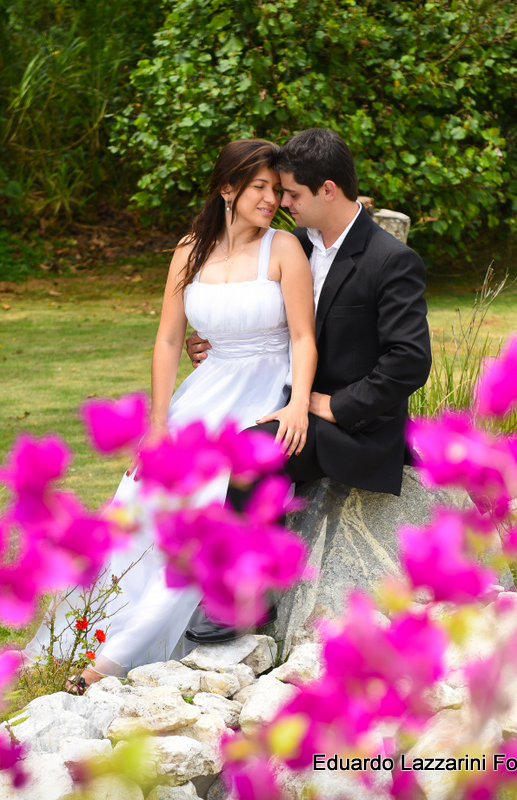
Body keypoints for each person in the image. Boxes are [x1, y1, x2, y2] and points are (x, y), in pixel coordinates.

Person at [23, 139, 317, 690]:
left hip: (258, 398)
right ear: (227, 188)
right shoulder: (189, 251)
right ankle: (87, 631)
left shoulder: (284, 251)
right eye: (259, 188)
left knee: (198, 517)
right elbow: (167, 340)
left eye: (277, 190)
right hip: (202, 393)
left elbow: (303, 337)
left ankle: (109, 662)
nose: (271, 199)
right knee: (138, 508)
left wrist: (297, 403)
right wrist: (157, 425)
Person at [184, 128, 433, 645]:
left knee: (248, 453)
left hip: (355, 428)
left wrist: (332, 406)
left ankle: (244, 599)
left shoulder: (390, 260)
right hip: (281, 400)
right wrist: (212, 345)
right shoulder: (293, 245)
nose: (280, 202)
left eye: (291, 193)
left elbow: (409, 363)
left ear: (328, 190)